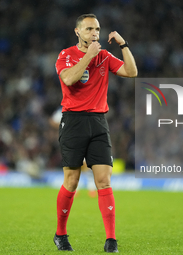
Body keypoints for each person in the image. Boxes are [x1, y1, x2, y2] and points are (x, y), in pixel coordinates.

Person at [53, 13, 137, 253]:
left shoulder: (104, 56)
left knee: (103, 180)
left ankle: (111, 240)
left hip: (99, 122)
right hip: (73, 121)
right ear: (77, 31)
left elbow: (132, 72)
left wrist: (123, 45)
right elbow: (68, 79)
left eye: (97, 29)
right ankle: (60, 234)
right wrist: (88, 56)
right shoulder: (66, 55)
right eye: (89, 29)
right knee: (72, 180)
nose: (94, 33)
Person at [49, 107, 97, 198]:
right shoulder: (63, 110)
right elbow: (51, 121)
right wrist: (63, 125)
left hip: (83, 138)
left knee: (86, 164)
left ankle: (91, 188)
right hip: (70, 140)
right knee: (74, 164)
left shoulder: (81, 108)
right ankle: (77, 189)